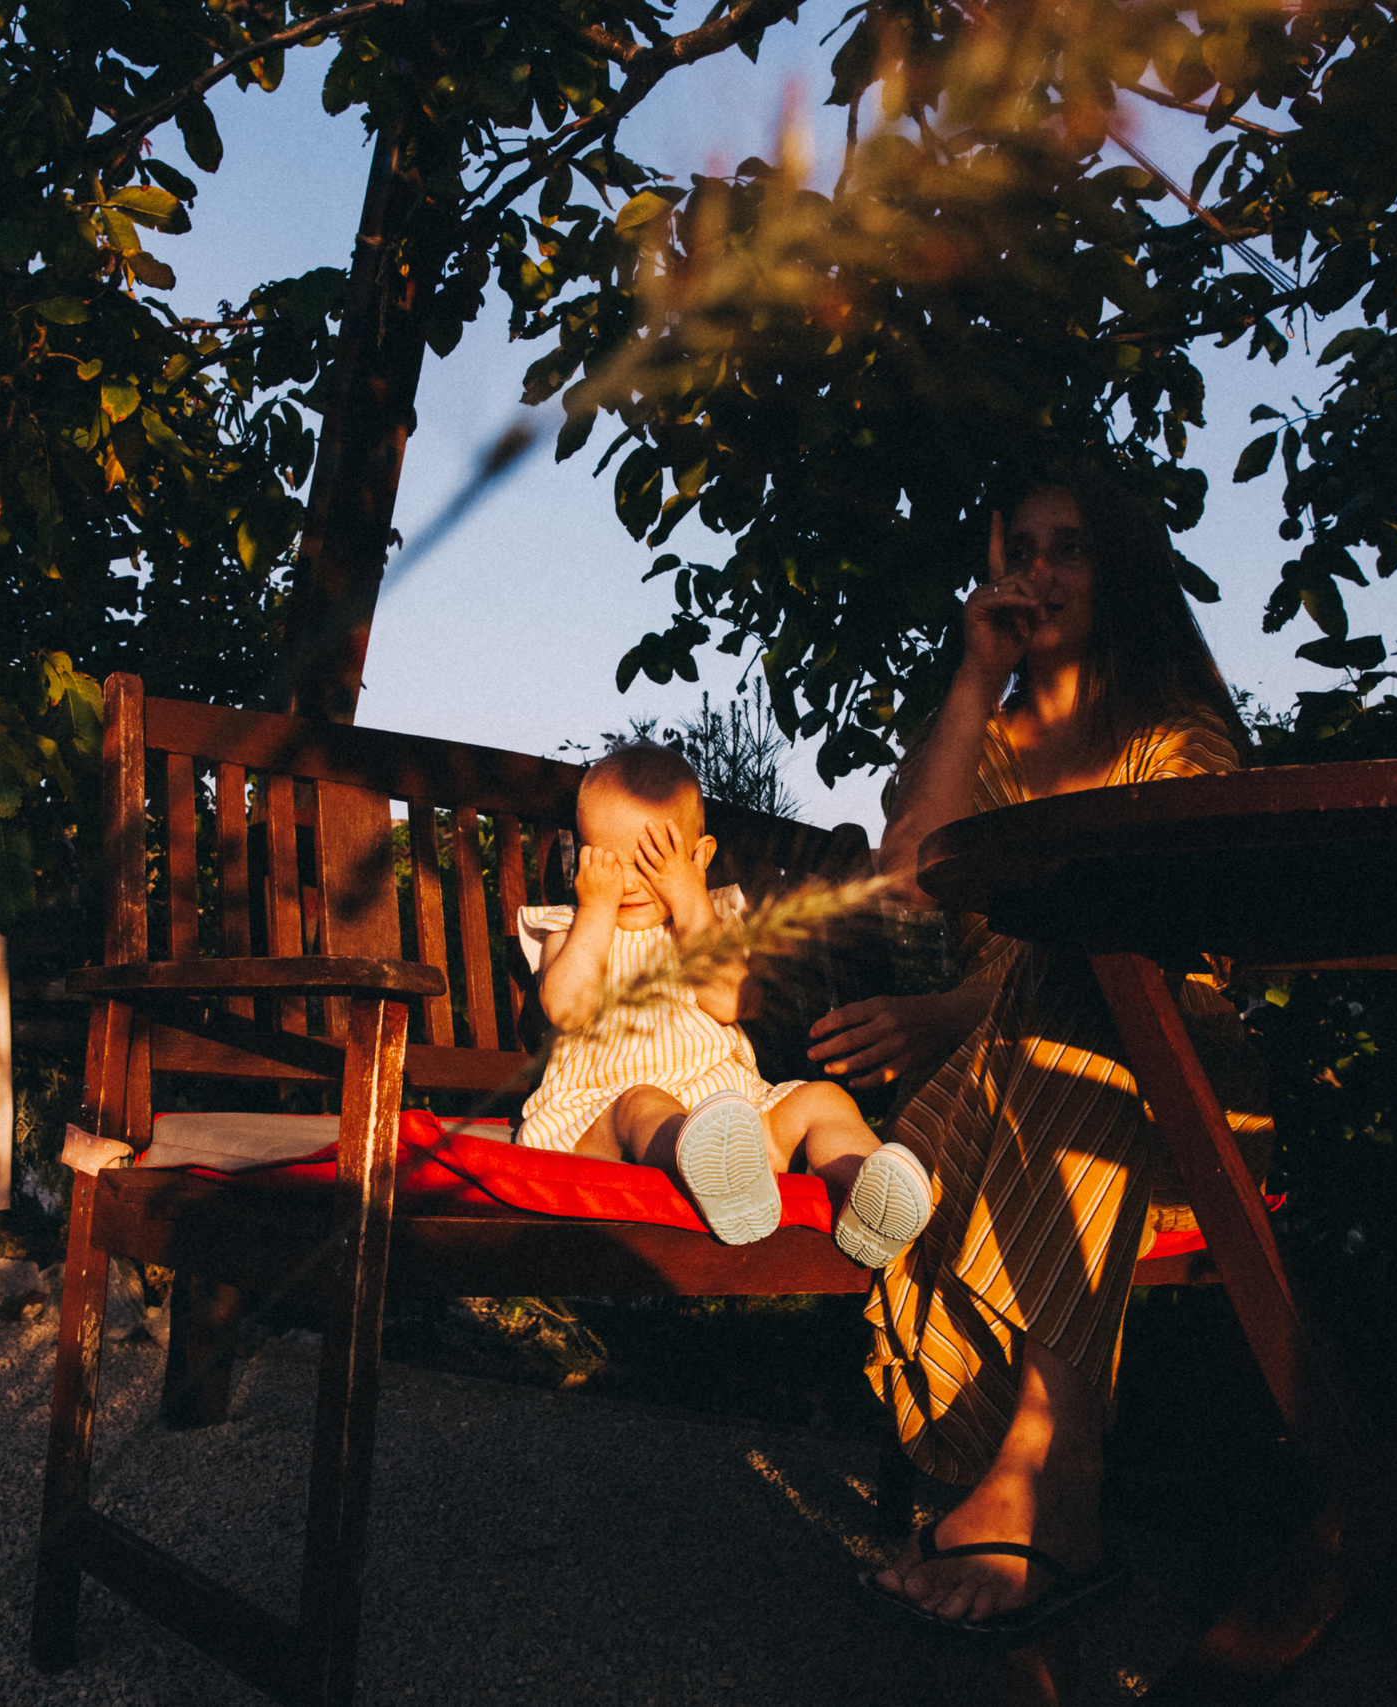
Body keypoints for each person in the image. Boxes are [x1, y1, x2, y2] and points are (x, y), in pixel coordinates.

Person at [807, 466, 1263, 1641]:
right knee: (1035, 1014)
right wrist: (975, 675)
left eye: (1070, 549)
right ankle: (1052, 1487)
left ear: (1116, 571)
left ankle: (1038, 1477)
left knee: (1087, 939)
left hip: (1173, 1087)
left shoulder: (1172, 735)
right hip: (1006, 1095)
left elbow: (1174, 939)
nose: (1040, 574)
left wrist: (955, 1012)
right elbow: (910, 881)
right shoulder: (994, 739)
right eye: (1022, 549)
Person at [516, 742, 934, 1268]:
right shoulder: (572, 930)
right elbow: (568, 1008)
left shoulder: (711, 925)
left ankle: (866, 1192)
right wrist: (595, 909)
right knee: (642, 1102)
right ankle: (715, 1176)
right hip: (606, 1124)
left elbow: (731, 999)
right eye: (608, 862)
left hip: (736, 1125)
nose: (628, 881)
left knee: (822, 1100)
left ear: (699, 858)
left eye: (653, 861)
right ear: (584, 858)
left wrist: (689, 898)